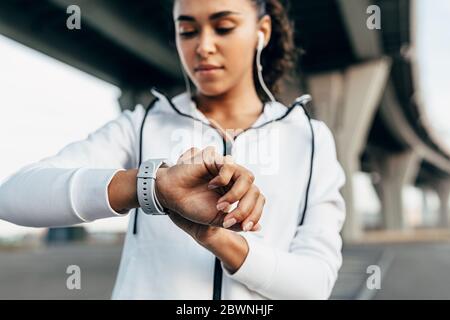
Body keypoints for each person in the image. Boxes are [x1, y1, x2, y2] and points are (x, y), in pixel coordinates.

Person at [0, 0, 346, 299]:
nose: (204, 46)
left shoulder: (311, 139)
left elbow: (315, 285)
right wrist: (151, 186)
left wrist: (217, 239)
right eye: (188, 31)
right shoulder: (141, 124)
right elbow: (12, 196)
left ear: (262, 30)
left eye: (223, 27)